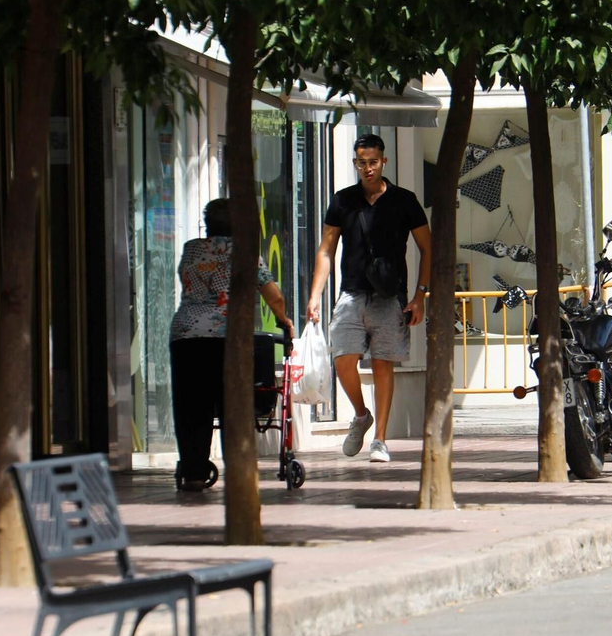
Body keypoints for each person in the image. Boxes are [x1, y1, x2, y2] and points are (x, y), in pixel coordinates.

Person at [306, 132, 431, 463]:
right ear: (355, 163)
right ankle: (362, 415)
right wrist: (316, 294)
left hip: (390, 295)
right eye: (361, 163)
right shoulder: (343, 200)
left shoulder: (404, 200)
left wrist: (420, 296)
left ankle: (380, 439)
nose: (368, 168)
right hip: (351, 291)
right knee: (343, 357)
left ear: (384, 162)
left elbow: (427, 247)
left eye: (373, 162)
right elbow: (326, 249)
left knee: (382, 363)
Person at [170, 198, 293, 490]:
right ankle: (237, 469)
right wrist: (284, 320)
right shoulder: (244, 253)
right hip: (228, 337)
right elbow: (272, 295)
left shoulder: (191, 249)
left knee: (191, 406)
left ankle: (194, 471)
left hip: (186, 335)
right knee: (232, 406)